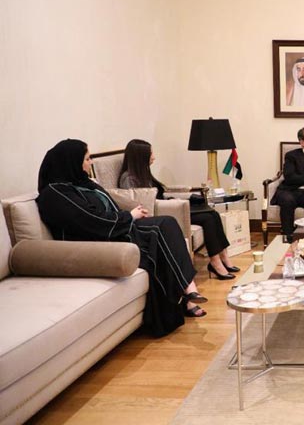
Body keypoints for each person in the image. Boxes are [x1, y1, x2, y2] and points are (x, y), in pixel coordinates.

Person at [36, 139, 208, 337]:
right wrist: (130, 217)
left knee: (167, 225)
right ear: (71, 162)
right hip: (99, 243)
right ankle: (188, 293)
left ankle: (189, 292)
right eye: (87, 159)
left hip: (118, 229)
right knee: (161, 230)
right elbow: (92, 221)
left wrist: (131, 215)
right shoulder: (55, 195)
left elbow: (110, 207)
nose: (91, 163)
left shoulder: (84, 183)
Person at [118, 139, 237, 281]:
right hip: (162, 213)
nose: (154, 157)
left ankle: (224, 257)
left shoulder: (143, 173)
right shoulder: (128, 179)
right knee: (207, 218)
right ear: (141, 156)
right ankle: (215, 262)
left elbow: (160, 193)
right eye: (151, 154)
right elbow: (140, 202)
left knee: (213, 214)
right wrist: (170, 203)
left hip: (168, 206)